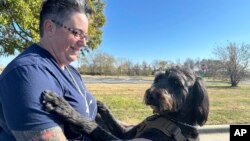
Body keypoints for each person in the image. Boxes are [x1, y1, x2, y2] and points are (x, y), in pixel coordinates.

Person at [0, 0, 97, 140]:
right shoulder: (28, 74)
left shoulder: (71, 71)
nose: (84, 43)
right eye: (76, 33)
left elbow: (92, 117)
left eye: (85, 36)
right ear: (49, 27)